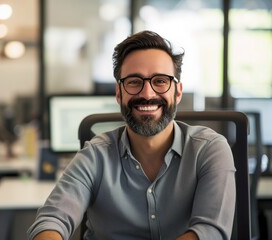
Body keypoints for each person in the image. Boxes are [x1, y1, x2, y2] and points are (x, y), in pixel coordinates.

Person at [27, 30, 236, 240]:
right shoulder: (95, 155)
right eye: (134, 82)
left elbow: (210, 232)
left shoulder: (208, 149)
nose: (147, 94)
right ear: (119, 93)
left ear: (178, 92)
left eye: (161, 81)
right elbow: (51, 220)